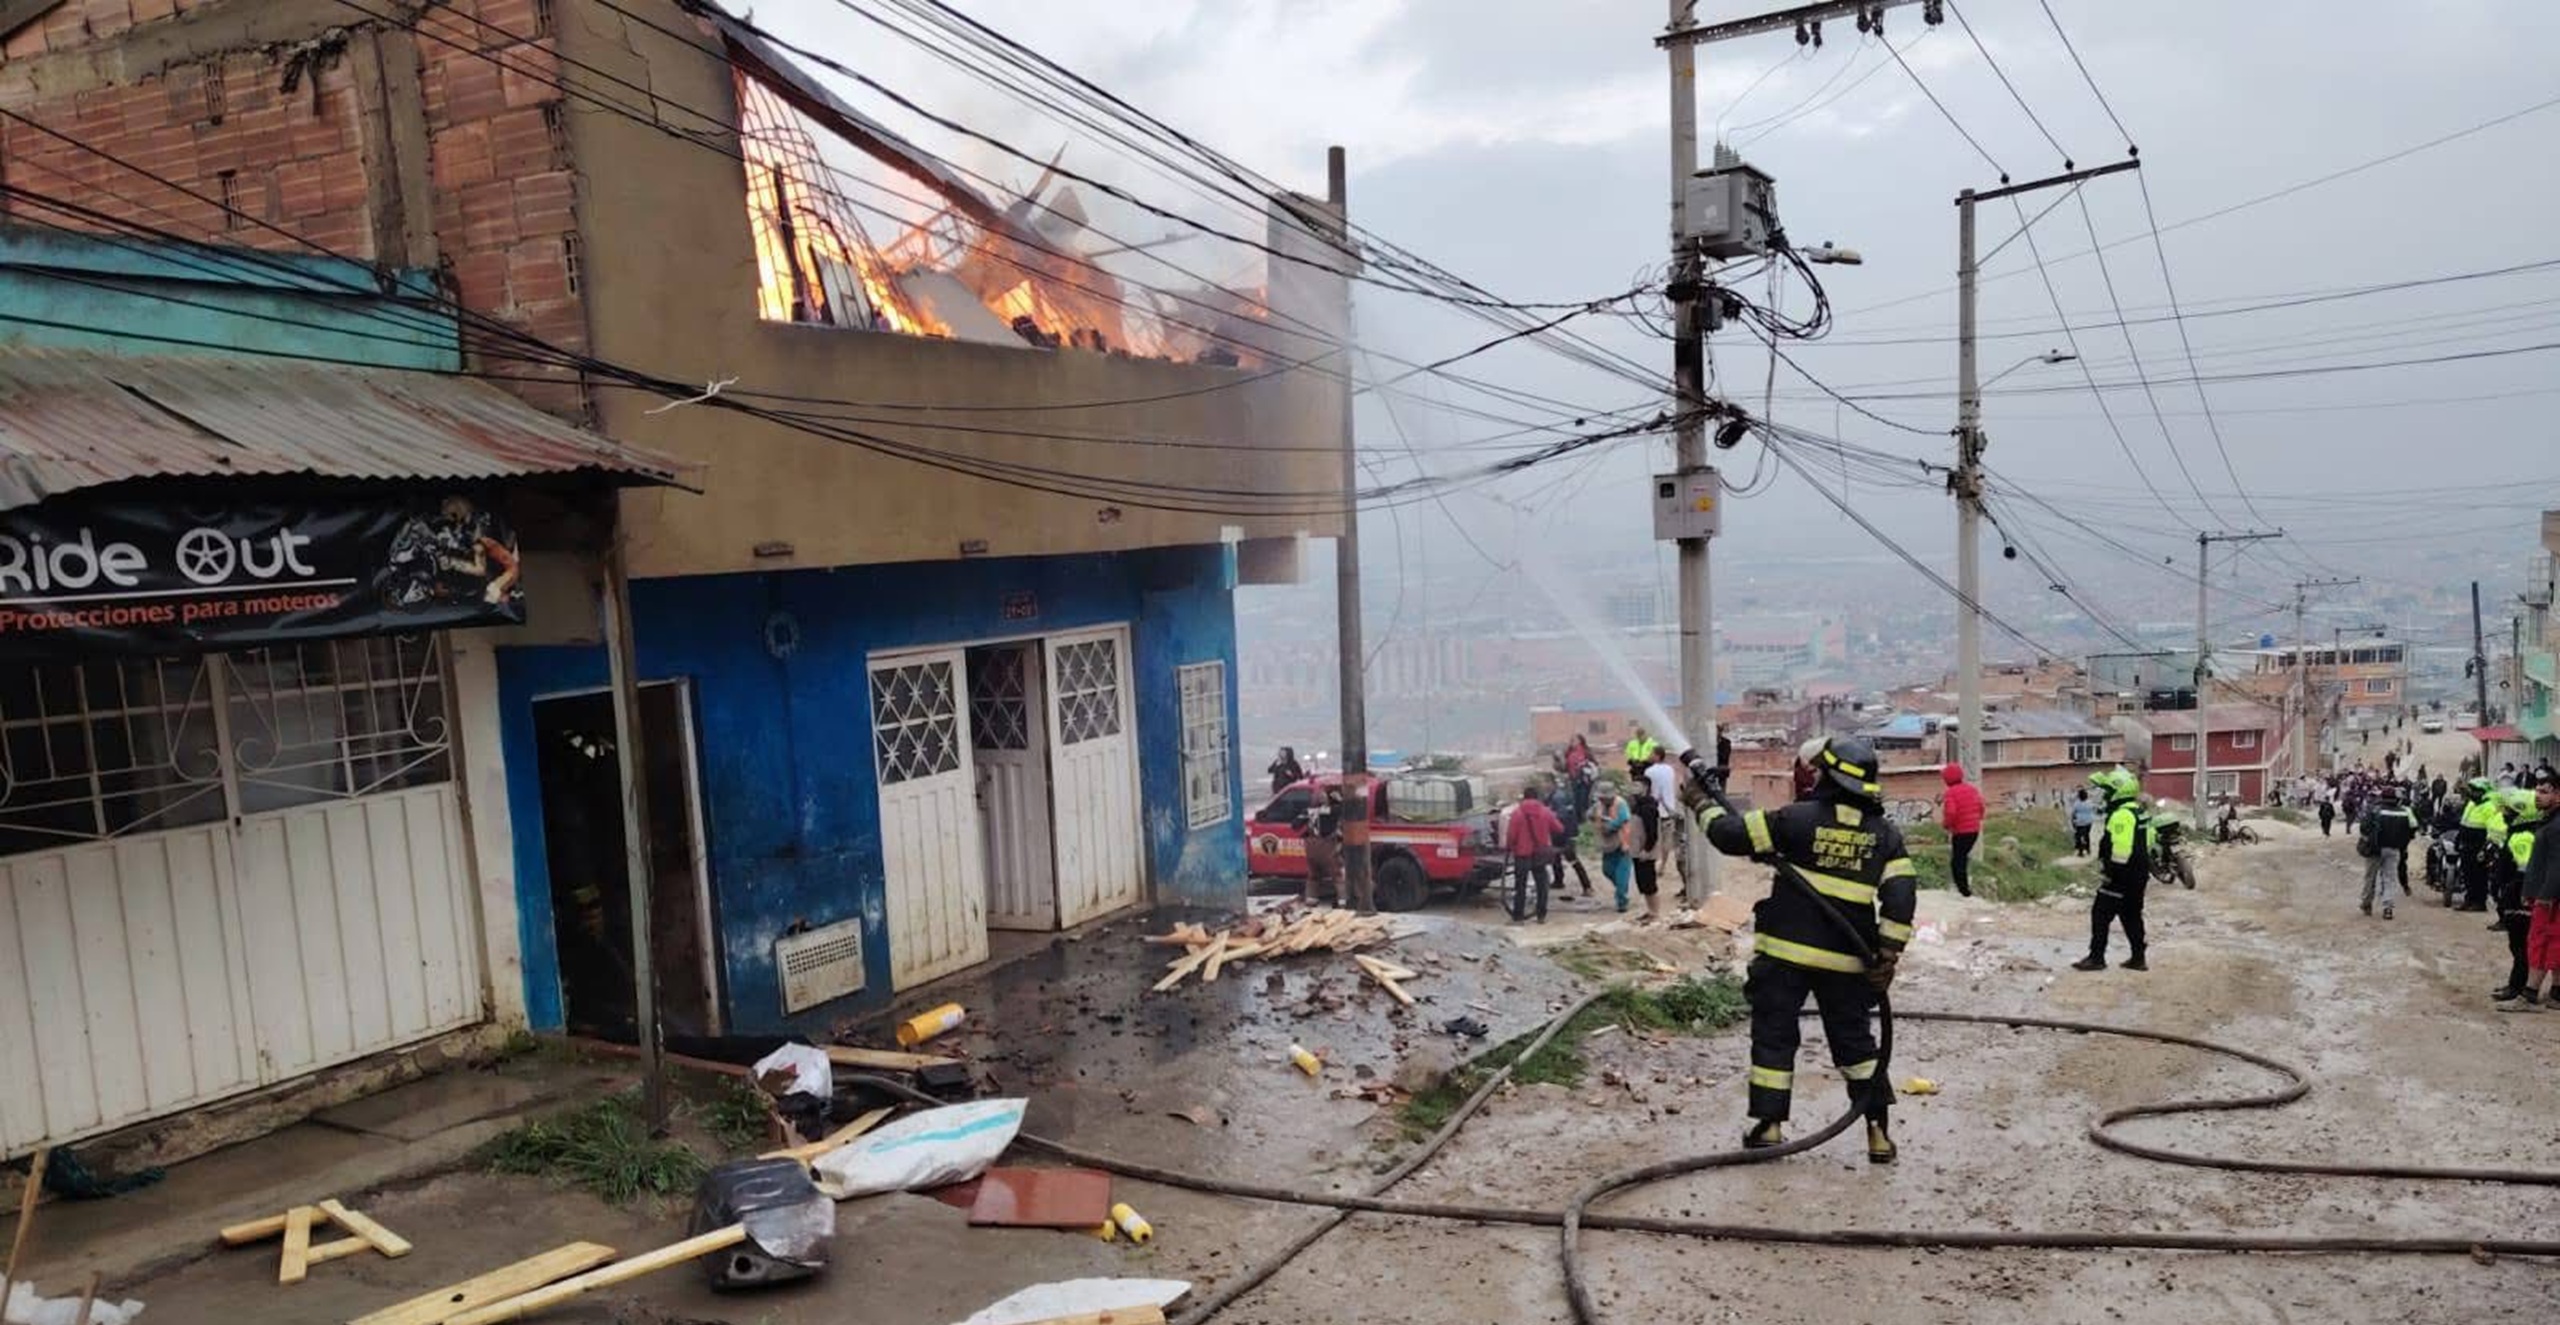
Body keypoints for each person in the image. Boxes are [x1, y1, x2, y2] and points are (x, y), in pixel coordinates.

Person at [1682, 737, 1915, 1165]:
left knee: (1774, 1037)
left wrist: (1700, 801)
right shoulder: (1885, 835)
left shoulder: (1796, 819)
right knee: (1857, 1045)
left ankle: (1769, 1126)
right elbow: (1901, 898)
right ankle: (1878, 1134)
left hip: (1785, 956)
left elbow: (1730, 834)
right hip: (1847, 961)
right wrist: (1888, 955)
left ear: (1826, 776)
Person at [2074, 768, 2151, 972]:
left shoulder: (2121, 815)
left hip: (2121, 875)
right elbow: (2149, 841)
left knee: (2100, 913)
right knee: (2131, 915)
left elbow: (2122, 850)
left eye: (2108, 791)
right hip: (2139, 874)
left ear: (2118, 791)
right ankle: (2138, 957)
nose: (2105, 795)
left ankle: (2096, 957)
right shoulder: (2138, 810)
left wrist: (2110, 874)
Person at [2504, 772, 2560, 1007]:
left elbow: (2557, 863)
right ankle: (2557, 994)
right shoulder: (2549, 820)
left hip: (2550, 896)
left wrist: (2545, 895)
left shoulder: (2556, 826)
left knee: (2541, 941)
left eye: (2544, 791)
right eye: (2537, 790)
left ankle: (2529, 994)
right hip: (2547, 892)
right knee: (2555, 941)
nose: (2538, 796)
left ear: (2558, 795)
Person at [2492, 785, 2547, 1007]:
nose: (2505, 815)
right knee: (2518, 943)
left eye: (2510, 812)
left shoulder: (2524, 836)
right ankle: (2515, 984)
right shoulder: (2528, 832)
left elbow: (2516, 870)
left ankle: (2518, 987)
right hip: (2519, 893)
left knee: (2520, 944)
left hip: (2522, 895)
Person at [2357, 788, 2419, 920]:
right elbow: (2412, 831)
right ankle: (2388, 908)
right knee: (2390, 878)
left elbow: (2363, 828)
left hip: (2374, 850)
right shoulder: (2404, 813)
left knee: (2370, 877)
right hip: (2394, 850)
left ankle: (2367, 904)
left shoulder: (2374, 810)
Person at [1505, 784, 1563, 923]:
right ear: (1537, 798)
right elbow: (1559, 828)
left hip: (1522, 853)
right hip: (1540, 853)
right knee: (1541, 885)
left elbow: (1511, 835)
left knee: (1520, 886)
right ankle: (1541, 916)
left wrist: (1510, 848)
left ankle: (1518, 917)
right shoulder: (1545, 812)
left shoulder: (1517, 813)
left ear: (1524, 797)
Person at [2456, 777, 2507, 912]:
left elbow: (2492, 829)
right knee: (2467, 874)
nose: (2472, 793)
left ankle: (2479, 902)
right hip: (2466, 844)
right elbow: (2464, 822)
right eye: (2472, 790)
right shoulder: (2472, 804)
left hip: (2479, 845)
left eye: (2476, 791)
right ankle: (2469, 899)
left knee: (2479, 875)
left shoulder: (2489, 807)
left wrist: (2486, 847)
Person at [1939, 762, 1985, 898]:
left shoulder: (1950, 793)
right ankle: (1964, 888)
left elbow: (1951, 813)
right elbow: (1981, 807)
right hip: (1974, 830)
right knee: (1963, 857)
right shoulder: (1972, 789)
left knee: (1957, 861)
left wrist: (1946, 825)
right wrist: (1977, 820)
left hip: (1960, 831)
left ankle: (1963, 890)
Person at [1545, 777, 1593, 899]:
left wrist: (1548, 814)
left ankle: (1587, 886)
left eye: (1546, 783)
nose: (1544, 786)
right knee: (1556, 857)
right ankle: (1558, 880)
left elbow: (1561, 815)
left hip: (1565, 832)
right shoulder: (1554, 795)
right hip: (1563, 831)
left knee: (1572, 858)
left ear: (1552, 783)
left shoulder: (1558, 797)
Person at [1296, 784, 1343, 904]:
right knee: (1337, 874)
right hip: (1326, 845)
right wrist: (1339, 799)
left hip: (1311, 846)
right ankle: (1343, 900)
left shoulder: (1307, 811)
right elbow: (1346, 810)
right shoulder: (1331, 810)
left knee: (1313, 875)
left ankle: (1311, 899)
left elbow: (1295, 825)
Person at [1594, 785, 1635, 913]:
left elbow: (1623, 819)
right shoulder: (1599, 805)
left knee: (1622, 873)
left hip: (1623, 842)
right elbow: (1591, 814)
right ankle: (1621, 890)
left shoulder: (1620, 804)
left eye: (1603, 798)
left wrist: (1610, 825)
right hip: (1608, 844)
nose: (1601, 800)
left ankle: (1622, 901)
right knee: (1607, 870)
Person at [1627, 785, 1665, 915]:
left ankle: (1655, 912)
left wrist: (1647, 849)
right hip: (1638, 852)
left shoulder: (1647, 810)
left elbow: (1652, 833)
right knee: (1643, 883)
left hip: (1645, 853)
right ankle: (1650, 911)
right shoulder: (1638, 809)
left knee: (1649, 883)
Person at [2069, 789, 2097, 856]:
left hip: (2079, 822)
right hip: (2089, 822)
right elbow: (2093, 809)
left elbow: (2073, 813)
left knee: (2079, 836)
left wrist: (2072, 821)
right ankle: (2088, 849)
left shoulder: (2077, 803)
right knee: (2087, 835)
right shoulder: (2090, 803)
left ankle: (2080, 851)